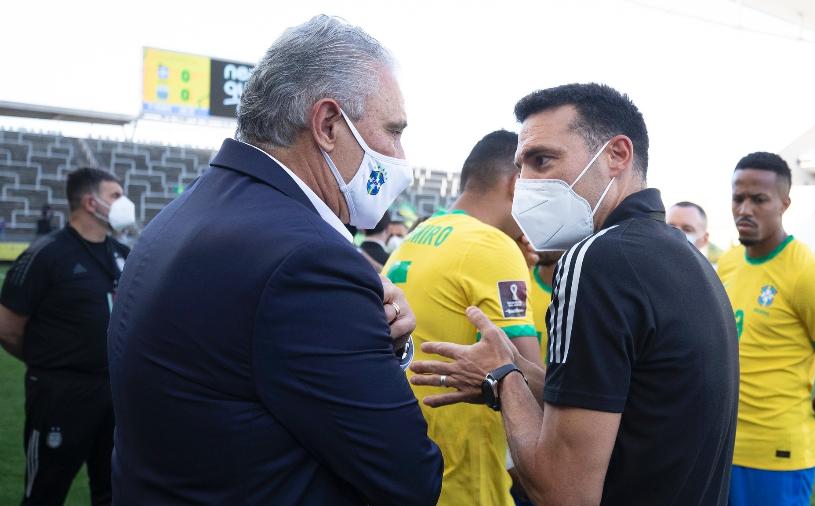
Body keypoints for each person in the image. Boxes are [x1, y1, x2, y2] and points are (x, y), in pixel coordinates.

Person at [106, 16, 442, 505]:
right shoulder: (307, 260)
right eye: (393, 131)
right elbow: (409, 478)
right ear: (328, 124)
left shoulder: (186, 212)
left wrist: (378, 343)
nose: (399, 154)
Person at [411, 83, 739, 505]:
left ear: (617, 155)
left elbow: (564, 494)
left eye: (541, 160)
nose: (524, 182)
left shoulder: (594, 260)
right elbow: (621, 402)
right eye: (520, 165)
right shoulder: (684, 256)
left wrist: (502, 378)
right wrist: (513, 372)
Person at [384, 129, 541, 506]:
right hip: (469, 485)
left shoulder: (418, 235)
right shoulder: (492, 245)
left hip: (413, 469)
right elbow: (532, 386)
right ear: (515, 184)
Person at [717, 152, 815, 506]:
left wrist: (799, 419)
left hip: (776, 459)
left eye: (759, 200)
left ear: (784, 203)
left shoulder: (807, 273)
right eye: (738, 198)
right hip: (722, 448)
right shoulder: (729, 262)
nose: (745, 210)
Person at [0, 167, 133, 505]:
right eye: (116, 195)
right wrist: (49, 363)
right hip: (59, 394)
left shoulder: (122, 254)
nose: (124, 202)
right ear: (91, 202)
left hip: (112, 392)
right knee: (45, 490)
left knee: (113, 490)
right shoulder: (45, 255)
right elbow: (8, 326)